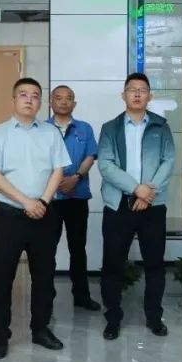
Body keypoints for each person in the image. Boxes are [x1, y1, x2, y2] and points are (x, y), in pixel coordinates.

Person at [0, 78, 71, 359]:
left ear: (40, 102)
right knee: (3, 278)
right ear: (13, 100)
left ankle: (40, 329)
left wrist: (42, 201)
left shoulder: (51, 133)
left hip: (44, 214)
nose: (29, 99)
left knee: (44, 277)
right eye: (23, 94)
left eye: (34, 95)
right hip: (9, 216)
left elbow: (58, 170)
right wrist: (26, 202)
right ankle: (0, 336)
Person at [97, 72, 176, 341]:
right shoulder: (110, 128)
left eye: (143, 89)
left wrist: (147, 192)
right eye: (132, 89)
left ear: (149, 96)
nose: (138, 94)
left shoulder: (161, 127)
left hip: (152, 205)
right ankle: (112, 318)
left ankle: (154, 317)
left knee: (154, 264)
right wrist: (135, 188)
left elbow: (168, 161)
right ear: (124, 95)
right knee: (113, 264)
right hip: (118, 205)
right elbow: (105, 164)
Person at [47, 85, 101, 312]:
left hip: (77, 197)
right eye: (58, 98)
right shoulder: (42, 129)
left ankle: (81, 295)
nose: (63, 102)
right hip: (49, 199)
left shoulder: (84, 128)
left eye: (68, 98)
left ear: (74, 103)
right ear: (50, 102)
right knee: (46, 249)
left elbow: (91, 156)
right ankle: (45, 296)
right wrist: (57, 182)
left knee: (78, 248)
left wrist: (76, 177)